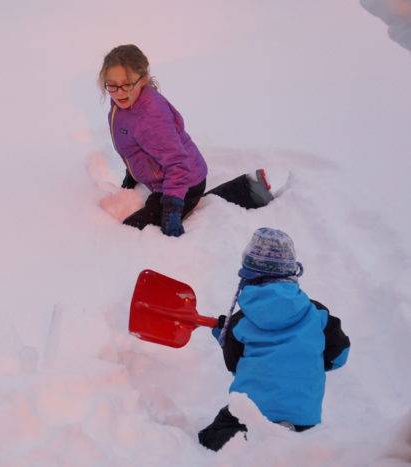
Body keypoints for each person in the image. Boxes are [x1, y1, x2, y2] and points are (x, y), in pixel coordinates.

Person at [198, 227, 351, 451]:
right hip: (304, 419)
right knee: (295, 443)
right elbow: (340, 355)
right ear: (291, 272)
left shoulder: (242, 321)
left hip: (250, 414)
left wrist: (226, 334)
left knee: (209, 438)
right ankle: (285, 442)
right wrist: (311, 361)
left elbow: (233, 364)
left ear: (248, 275)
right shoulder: (318, 314)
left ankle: (252, 444)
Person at [98, 44, 274, 237]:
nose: (119, 92)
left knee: (133, 231)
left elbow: (178, 163)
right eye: (112, 84)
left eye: (127, 83)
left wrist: (172, 207)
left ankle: (248, 191)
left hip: (184, 181)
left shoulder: (151, 117)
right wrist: (132, 173)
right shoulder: (122, 103)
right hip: (166, 177)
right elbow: (132, 142)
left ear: (143, 79)